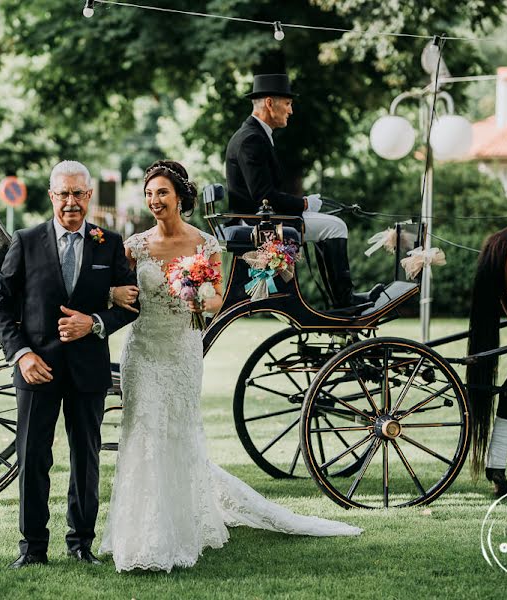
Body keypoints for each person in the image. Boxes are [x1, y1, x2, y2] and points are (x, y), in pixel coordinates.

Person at [98, 160, 361, 573]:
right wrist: (114, 293)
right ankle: (140, 532)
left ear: (180, 198)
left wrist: (197, 299)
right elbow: (119, 292)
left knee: (180, 431)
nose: (155, 200)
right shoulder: (134, 246)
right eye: (150, 194)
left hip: (184, 349)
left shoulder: (204, 243)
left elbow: (217, 297)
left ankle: (181, 524)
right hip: (144, 351)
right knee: (142, 431)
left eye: (162, 193)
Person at [0, 160, 138, 568]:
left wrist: (95, 323)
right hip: (37, 368)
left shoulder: (109, 242)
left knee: (86, 458)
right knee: (34, 456)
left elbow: (132, 303)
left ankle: (81, 543)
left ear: (89, 196)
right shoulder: (26, 239)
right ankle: (33, 548)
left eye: (78, 194)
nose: (71, 202)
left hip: (88, 369)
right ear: (51, 195)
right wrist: (21, 354)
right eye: (63, 194)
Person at [225, 73, 382, 310]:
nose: (291, 110)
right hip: (258, 222)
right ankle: (344, 300)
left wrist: (303, 203)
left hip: (261, 217)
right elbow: (263, 196)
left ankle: (340, 300)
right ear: (270, 103)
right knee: (336, 226)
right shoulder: (251, 139)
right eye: (287, 104)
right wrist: (304, 204)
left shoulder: (254, 134)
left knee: (331, 224)